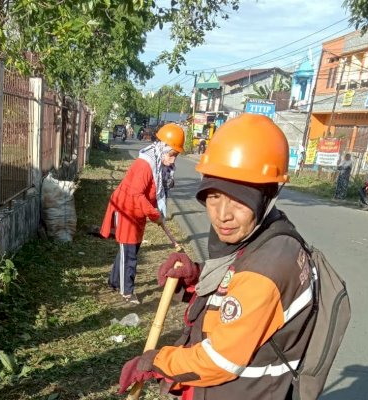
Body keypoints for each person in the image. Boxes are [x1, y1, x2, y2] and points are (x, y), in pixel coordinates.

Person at [118, 114, 315, 400]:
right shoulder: (266, 233)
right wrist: (196, 278)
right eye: (213, 197)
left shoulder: (268, 267)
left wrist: (157, 361)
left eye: (238, 201)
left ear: (267, 195)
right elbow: (237, 282)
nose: (223, 216)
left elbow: (219, 360)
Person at [100, 123, 185, 304]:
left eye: (175, 156)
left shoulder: (158, 166)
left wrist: (155, 213)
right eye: (172, 155)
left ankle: (114, 282)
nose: (173, 160)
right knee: (129, 253)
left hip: (138, 212)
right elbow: (136, 195)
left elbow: (154, 193)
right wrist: (154, 214)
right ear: (163, 148)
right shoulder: (144, 165)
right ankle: (127, 292)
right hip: (127, 211)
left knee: (130, 250)